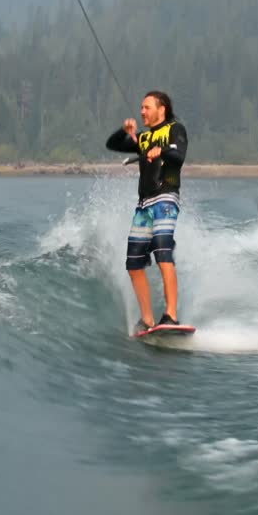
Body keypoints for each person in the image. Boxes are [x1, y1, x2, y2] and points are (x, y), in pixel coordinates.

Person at [105, 90, 188, 334]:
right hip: (144, 205)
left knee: (163, 252)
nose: (142, 111)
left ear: (162, 109)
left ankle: (171, 315)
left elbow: (179, 156)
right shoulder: (144, 138)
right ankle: (148, 319)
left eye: (147, 107)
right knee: (133, 263)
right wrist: (125, 132)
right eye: (141, 108)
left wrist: (160, 151)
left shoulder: (175, 129)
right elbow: (113, 144)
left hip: (166, 198)